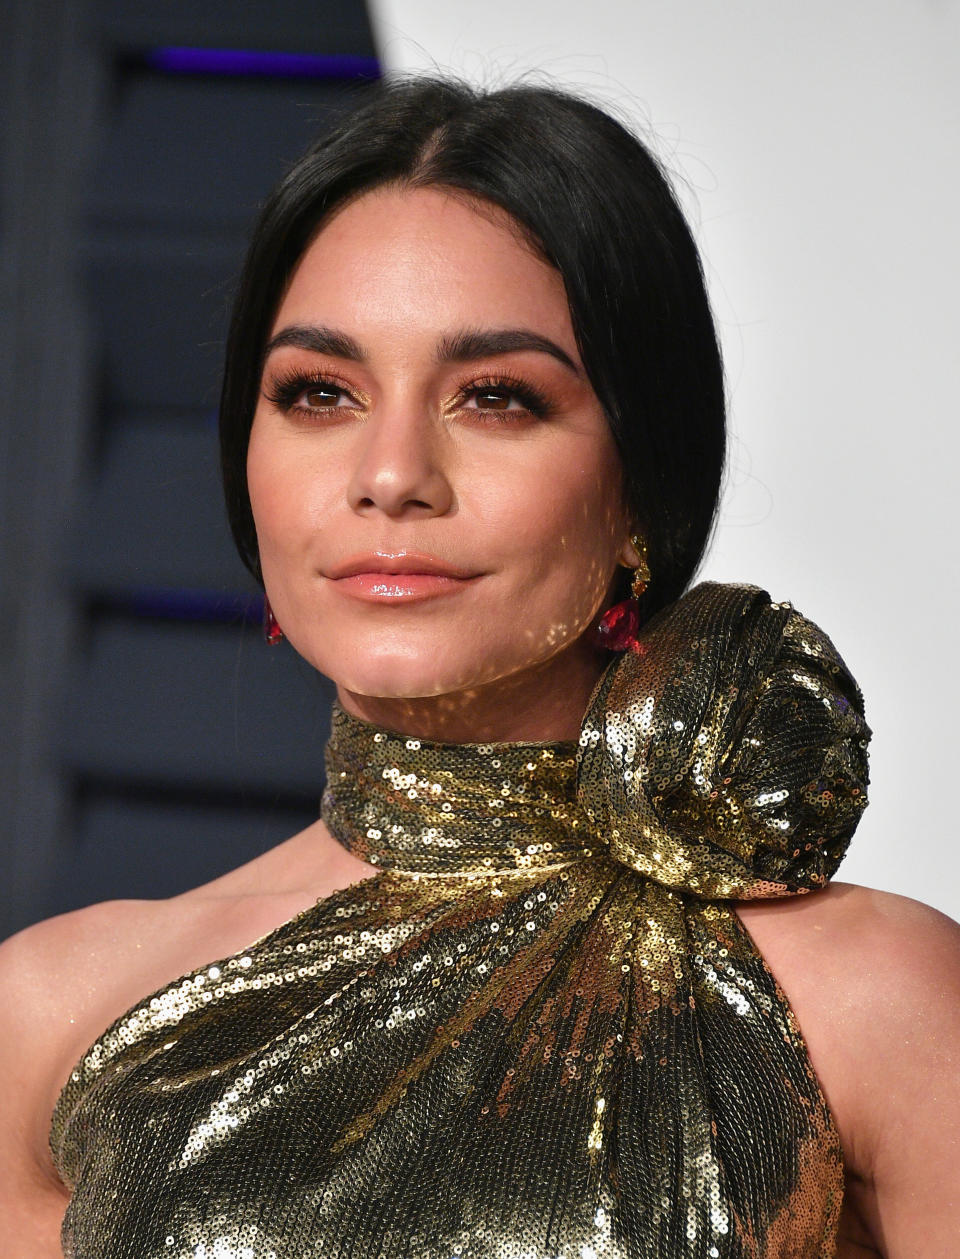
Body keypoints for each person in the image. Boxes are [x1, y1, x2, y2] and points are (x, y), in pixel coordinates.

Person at [1, 73, 958, 1259]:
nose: (392, 471)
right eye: (320, 392)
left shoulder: (875, 1002)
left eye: (497, 397)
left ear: (638, 489)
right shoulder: (49, 1013)